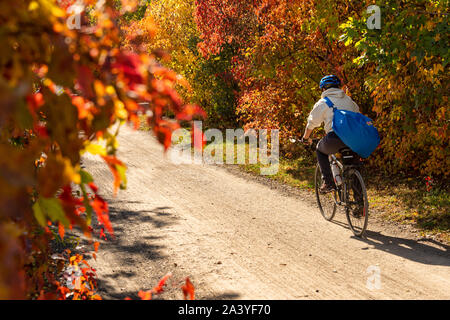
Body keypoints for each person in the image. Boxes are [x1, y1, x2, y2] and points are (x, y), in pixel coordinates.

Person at [301, 75, 360, 193]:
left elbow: (311, 123)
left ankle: (328, 183)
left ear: (323, 89)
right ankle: (360, 204)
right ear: (338, 87)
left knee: (320, 150)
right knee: (353, 167)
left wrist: (305, 138)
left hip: (335, 137)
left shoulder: (324, 102)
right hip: (354, 138)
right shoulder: (348, 100)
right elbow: (357, 113)